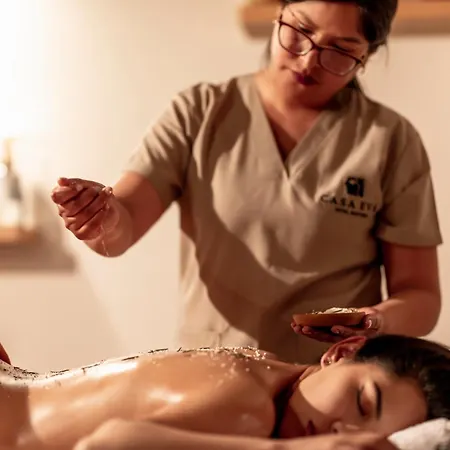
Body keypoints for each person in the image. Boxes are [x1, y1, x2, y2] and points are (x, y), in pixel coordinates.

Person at [50, 0, 442, 363]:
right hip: (213, 376)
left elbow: (420, 296)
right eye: (299, 32)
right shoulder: (200, 113)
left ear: (366, 56)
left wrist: (376, 321)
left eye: (340, 50)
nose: (309, 60)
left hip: (331, 383)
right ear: (278, 15)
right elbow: (125, 220)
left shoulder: (389, 140)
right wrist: (98, 215)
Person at [1, 334, 449, 450]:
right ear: (342, 352)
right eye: (362, 403)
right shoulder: (250, 411)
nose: (341, 433)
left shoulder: (260, 365)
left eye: (366, 439)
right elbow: (103, 445)